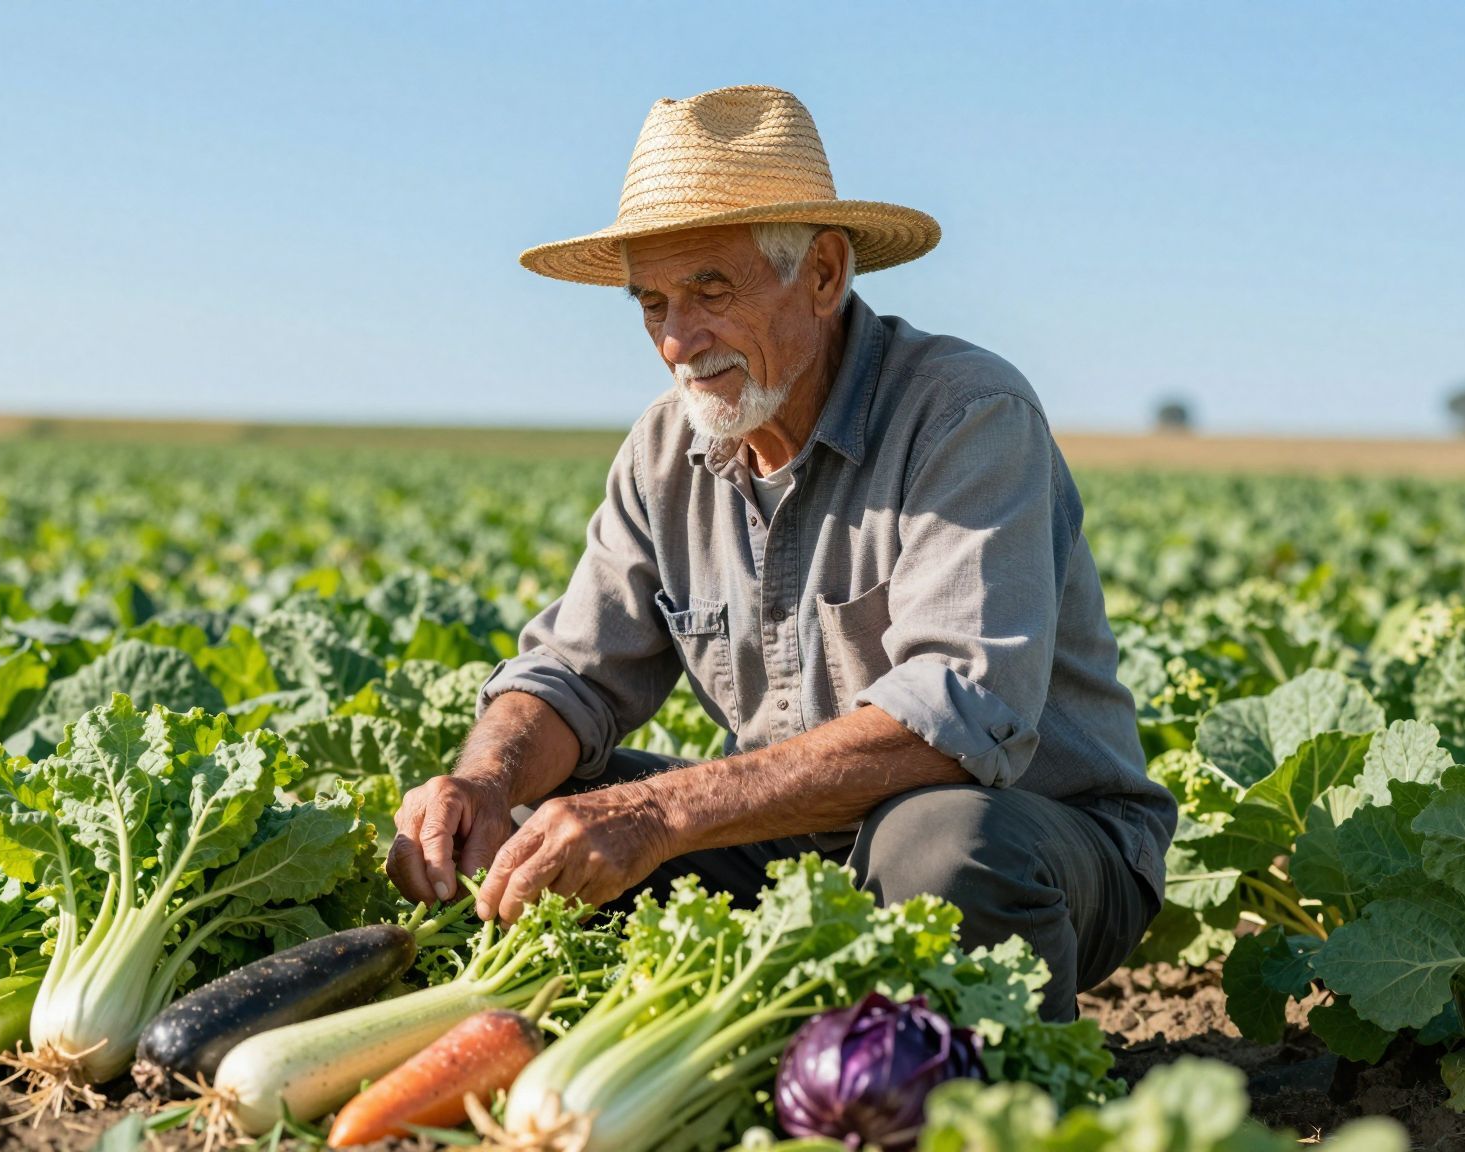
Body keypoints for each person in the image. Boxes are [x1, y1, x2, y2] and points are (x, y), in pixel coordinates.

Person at [387, 84, 1175, 1020]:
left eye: (711, 291)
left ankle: (988, 1083)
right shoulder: (663, 451)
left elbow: (958, 720)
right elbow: (572, 675)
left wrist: (658, 813)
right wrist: (484, 781)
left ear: (825, 274)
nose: (677, 340)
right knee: (529, 827)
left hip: (1036, 841)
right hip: (792, 843)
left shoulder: (966, 416)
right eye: (653, 304)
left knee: (938, 847)